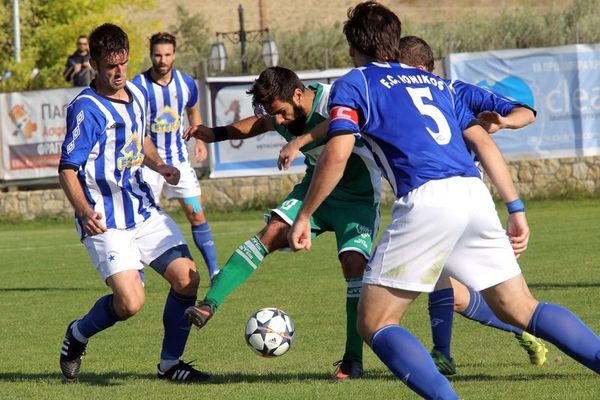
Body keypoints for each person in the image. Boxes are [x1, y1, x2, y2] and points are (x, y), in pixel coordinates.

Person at [288, 2, 600, 399]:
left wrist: (306, 214)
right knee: (521, 307)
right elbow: (483, 142)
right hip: (474, 194)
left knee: (376, 321)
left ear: (353, 45)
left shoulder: (356, 82)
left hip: (428, 198)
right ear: (394, 39)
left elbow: (337, 152)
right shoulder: (440, 85)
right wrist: (515, 206)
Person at [183, 66, 381, 380]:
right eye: (274, 114)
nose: (279, 121)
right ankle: (209, 304)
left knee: (354, 264)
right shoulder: (280, 114)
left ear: (298, 94)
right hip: (316, 190)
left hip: (357, 197)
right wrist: (217, 133)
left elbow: (341, 122)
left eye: (282, 112)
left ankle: (352, 361)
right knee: (272, 231)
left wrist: (298, 142)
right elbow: (259, 123)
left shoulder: (332, 98)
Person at [58, 23, 209, 383]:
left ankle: (170, 364)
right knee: (130, 304)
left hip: (142, 210)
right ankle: (77, 334)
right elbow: (67, 169)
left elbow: (140, 141)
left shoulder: (136, 95)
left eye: (123, 63)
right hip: (104, 218)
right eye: (110, 66)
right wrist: (83, 211)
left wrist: (160, 166)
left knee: (188, 279)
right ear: (94, 63)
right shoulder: (86, 108)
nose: (119, 72)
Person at [399, 35, 547, 375]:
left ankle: (443, 354)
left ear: (421, 69)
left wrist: (504, 121)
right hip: (434, 203)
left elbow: (526, 112)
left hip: (464, 204)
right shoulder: (397, 100)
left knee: (443, 280)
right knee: (457, 294)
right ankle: (517, 332)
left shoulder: (457, 91)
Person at [132, 32, 219, 281]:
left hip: (179, 161)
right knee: (140, 219)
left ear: (174, 54)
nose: (162, 60)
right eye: (158, 55)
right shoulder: (138, 86)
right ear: (151, 55)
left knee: (196, 213)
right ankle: (136, 273)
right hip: (148, 165)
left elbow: (193, 111)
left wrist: (200, 140)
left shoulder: (186, 83)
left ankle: (213, 270)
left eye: (167, 55)